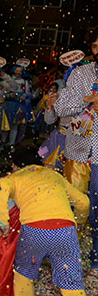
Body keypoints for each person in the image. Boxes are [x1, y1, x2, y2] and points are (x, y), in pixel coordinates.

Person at [0, 146, 97, 296]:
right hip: (65, 230)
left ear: (15, 166)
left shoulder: (16, 177)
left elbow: (0, 186)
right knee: (72, 284)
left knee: (24, 273)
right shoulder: (54, 175)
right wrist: (77, 221)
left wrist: (1, 222)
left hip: (34, 230)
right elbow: (84, 202)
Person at [53, 28, 98, 272]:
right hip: (78, 151)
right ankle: (66, 255)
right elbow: (60, 107)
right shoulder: (80, 73)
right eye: (95, 47)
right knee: (73, 206)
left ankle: (96, 256)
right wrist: (86, 100)